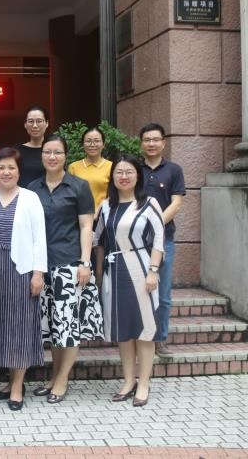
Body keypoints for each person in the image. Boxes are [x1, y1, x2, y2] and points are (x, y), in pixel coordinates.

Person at [28, 134, 103, 403]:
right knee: (53, 325)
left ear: (65, 156)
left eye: (57, 152)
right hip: (40, 266)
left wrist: (85, 262)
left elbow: (86, 226)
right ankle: (54, 377)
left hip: (69, 264)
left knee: (68, 325)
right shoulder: (32, 188)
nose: (52, 157)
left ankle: (61, 381)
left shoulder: (79, 186)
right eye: (47, 152)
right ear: (41, 155)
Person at [93, 154, 165, 407]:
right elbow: (97, 240)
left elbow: (158, 240)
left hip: (141, 269)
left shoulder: (149, 203)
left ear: (138, 176)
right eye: (119, 172)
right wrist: (98, 275)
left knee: (144, 329)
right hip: (114, 272)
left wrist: (153, 271)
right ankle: (128, 381)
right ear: (112, 177)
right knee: (123, 330)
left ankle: (143, 383)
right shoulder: (106, 206)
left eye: (129, 172)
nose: (123, 176)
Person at [0, 147, 47, 411]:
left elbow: (39, 238)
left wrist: (38, 273)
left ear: (19, 171)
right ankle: (9, 382)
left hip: (21, 270)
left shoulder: (30, 198)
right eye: (1, 167)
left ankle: (18, 386)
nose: (6, 172)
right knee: (0, 326)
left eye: (11, 167)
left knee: (19, 327)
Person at [139, 123, 185, 358]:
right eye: (147, 140)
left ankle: (160, 339)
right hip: (136, 241)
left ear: (163, 143)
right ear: (141, 143)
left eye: (156, 139)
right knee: (138, 291)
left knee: (163, 294)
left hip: (164, 239)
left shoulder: (174, 170)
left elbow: (176, 203)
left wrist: (154, 224)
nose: (151, 143)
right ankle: (139, 338)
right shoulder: (135, 169)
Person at [68, 126, 113, 213]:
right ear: (83, 144)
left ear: (103, 144)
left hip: (103, 215)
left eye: (97, 141)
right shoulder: (73, 167)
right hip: (78, 216)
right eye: (88, 141)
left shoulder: (111, 167)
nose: (92, 144)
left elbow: (115, 195)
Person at [15, 106, 49, 187]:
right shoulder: (16, 151)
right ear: (25, 124)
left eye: (39, 121)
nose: (35, 125)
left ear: (47, 123)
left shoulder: (53, 150)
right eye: (30, 121)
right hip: (22, 194)